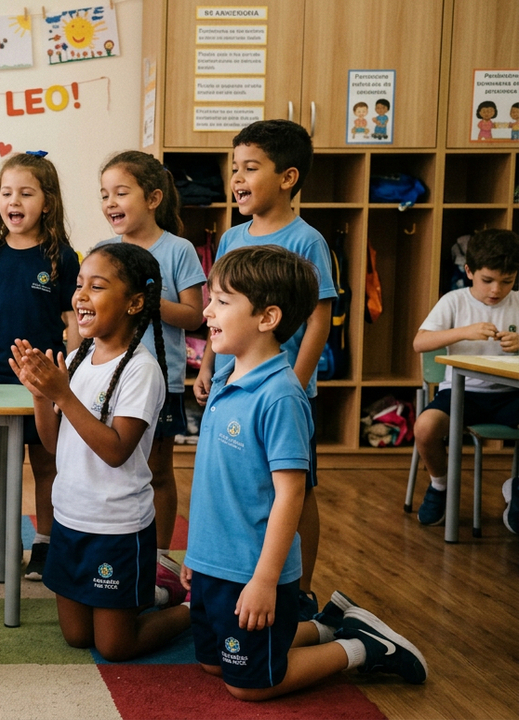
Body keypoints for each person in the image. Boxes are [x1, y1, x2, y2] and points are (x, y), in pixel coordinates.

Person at [185, 244, 427, 699]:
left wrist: (264, 581)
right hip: (214, 563)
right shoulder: (224, 378)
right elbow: (214, 485)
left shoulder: (281, 396)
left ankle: (364, 647)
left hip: (253, 570)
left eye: (221, 300)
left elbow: (290, 497)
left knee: (251, 686)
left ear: (267, 317)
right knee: (212, 664)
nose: (207, 309)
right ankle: (327, 625)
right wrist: (197, 559)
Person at [10, 242, 191, 660]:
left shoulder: (142, 370)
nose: (81, 296)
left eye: (97, 286)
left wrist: (62, 394)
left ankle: (190, 609)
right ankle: (146, 593)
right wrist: (41, 397)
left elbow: (116, 452)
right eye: (79, 286)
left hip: (117, 529)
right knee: (77, 637)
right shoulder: (75, 360)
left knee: (114, 647)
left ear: (134, 303)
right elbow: (56, 445)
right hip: (70, 519)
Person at [195, 120, 336, 621]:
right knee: (234, 475)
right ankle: (226, 563)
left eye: (250, 168)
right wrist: (208, 365)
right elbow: (217, 307)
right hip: (234, 382)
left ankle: (298, 590)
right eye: (234, 168)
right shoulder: (233, 235)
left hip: (279, 386)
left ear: (288, 177)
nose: (237, 179)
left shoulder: (307, 239)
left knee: (295, 485)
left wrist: (296, 379)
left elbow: (321, 314)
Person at [96, 150, 205, 601]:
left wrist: (146, 299)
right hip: (110, 380)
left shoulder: (177, 250)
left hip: (162, 381)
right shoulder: (105, 253)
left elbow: (196, 315)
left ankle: (159, 555)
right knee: (111, 463)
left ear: (154, 197)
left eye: (121, 192)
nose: (110, 202)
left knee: (157, 469)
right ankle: (114, 544)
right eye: (104, 194)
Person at [0, 151, 81, 580]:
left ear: (47, 202)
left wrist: (66, 373)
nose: (14, 201)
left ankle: (46, 543)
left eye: (26, 193)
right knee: (3, 464)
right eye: (7, 193)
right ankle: (5, 541)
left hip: (46, 376)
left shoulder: (62, 256)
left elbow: (73, 322)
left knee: (45, 462)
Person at [411, 228, 519, 534]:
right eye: (487, 280)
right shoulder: (454, 301)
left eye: (507, 281)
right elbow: (420, 343)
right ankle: (440, 485)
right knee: (425, 426)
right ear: (469, 270)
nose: (496, 290)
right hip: (461, 393)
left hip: (510, 393)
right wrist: (463, 332)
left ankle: (517, 489)